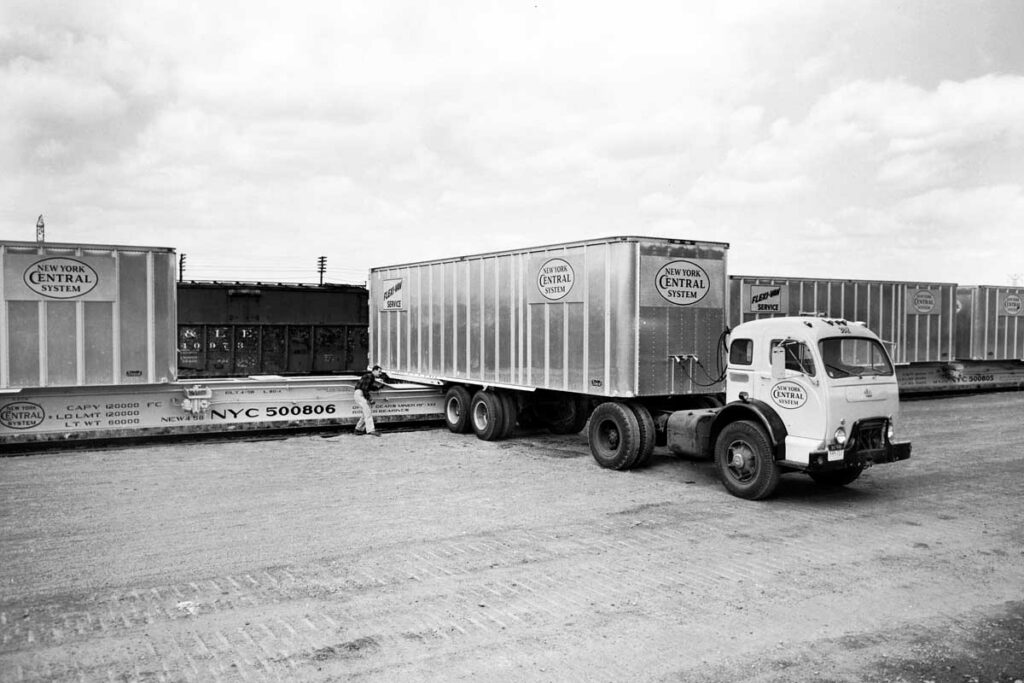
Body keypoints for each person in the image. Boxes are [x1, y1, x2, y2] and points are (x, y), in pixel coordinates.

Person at [353, 364, 390, 436]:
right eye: (379, 371)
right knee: (368, 412)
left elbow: (371, 387)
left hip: (359, 394)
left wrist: (380, 387)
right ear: (374, 370)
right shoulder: (369, 377)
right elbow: (365, 389)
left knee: (365, 413)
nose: (380, 373)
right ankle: (371, 430)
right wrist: (370, 399)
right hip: (360, 394)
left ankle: (358, 429)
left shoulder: (369, 377)